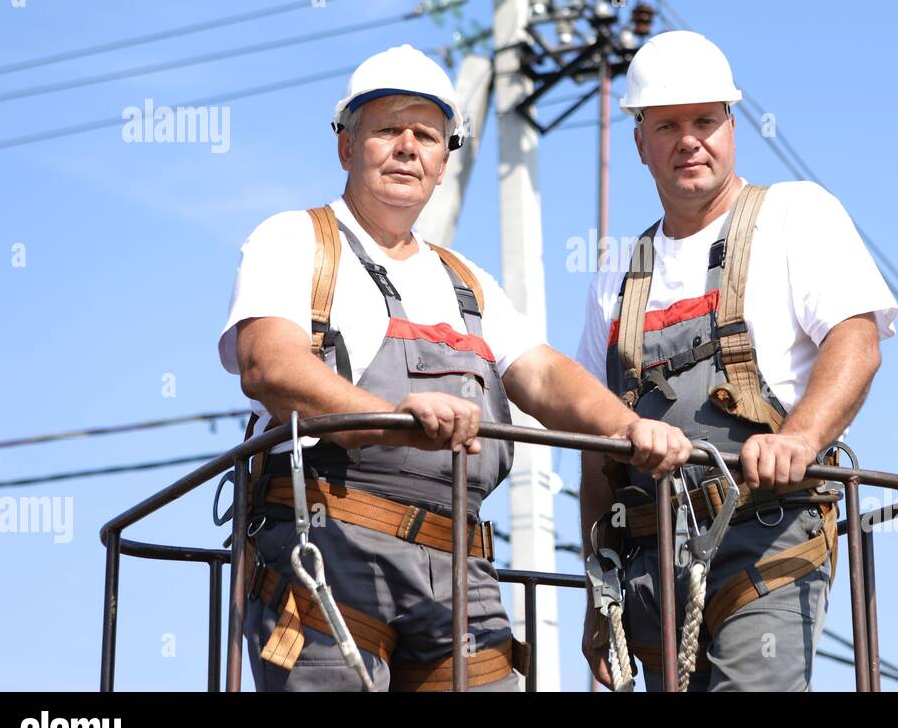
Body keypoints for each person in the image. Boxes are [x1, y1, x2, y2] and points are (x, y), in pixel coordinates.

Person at [219, 44, 691, 691]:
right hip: (325, 548)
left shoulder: (468, 284)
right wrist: (393, 418)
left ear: (445, 160)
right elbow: (268, 366)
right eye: (387, 130)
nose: (408, 148)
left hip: (458, 569)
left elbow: (544, 375)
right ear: (346, 147)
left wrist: (629, 427)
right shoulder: (297, 242)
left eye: (427, 136)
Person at [576, 31, 898, 691]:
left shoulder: (794, 215)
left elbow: (856, 342)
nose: (689, 139)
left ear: (732, 126)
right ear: (640, 143)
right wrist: (596, 591)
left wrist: (801, 436)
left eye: (705, 120)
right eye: (667, 125)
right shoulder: (617, 271)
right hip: (651, 558)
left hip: (767, 535)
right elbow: (595, 444)